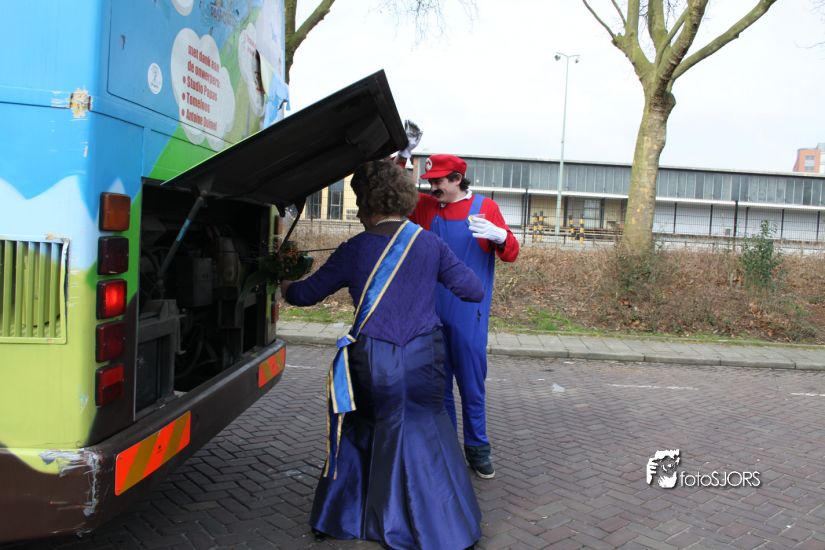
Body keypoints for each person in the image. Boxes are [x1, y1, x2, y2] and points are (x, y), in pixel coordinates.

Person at [281, 159, 484, 550]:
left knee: (367, 429)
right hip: (425, 358)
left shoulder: (356, 248)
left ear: (368, 202)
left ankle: (353, 515)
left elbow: (305, 296)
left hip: (375, 360)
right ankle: (446, 525)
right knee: (427, 429)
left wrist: (284, 282)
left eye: (359, 202)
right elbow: (473, 290)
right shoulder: (430, 243)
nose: (358, 211)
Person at [409, 153, 520, 480]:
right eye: (430, 181)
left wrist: (502, 237)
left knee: (471, 386)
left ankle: (478, 448)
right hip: (431, 313)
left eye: (439, 181)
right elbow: (394, 193)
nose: (433, 187)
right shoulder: (427, 207)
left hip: (469, 315)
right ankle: (448, 450)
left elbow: (512, 254)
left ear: (457, 179)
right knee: (438, 386)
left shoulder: (486, 208)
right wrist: (402, 158)